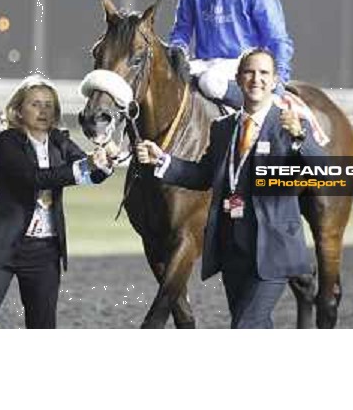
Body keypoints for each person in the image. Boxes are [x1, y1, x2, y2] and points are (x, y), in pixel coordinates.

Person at [136, 48, 324, 328]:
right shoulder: (222, 128)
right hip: (232, 248)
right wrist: (162, 160)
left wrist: (299, 136)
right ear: (237, 79)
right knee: (251, 323)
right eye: (249, 72)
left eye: (264, 73)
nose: (256, 79)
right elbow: (202, 175)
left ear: (274, 82)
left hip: (273, 249)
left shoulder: (290, 124)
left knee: (245, 325)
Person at [0, 75, 113, 329]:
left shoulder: (60, 141)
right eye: (35, 104)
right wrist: (85, 166)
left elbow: (92, 174)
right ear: (19, 111)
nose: (43, 110)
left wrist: (106, 160)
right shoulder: (6, 142)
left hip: (44, 253)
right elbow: (33, 179)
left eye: (49, 105)